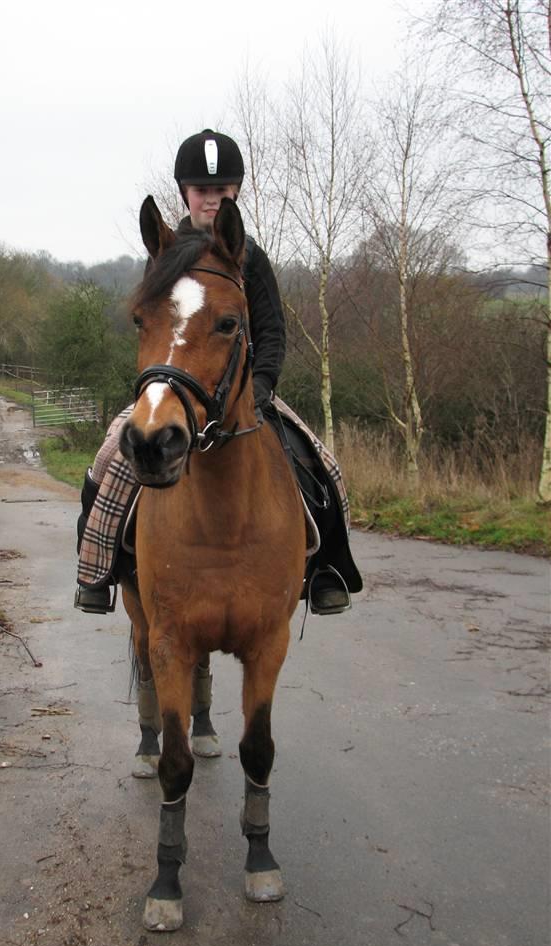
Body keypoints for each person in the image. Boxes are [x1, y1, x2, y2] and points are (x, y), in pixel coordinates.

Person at [74, 129, 361, 616]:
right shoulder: (165, 256)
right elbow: (154, 327)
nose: (212, 197)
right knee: (109, 459)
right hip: (175, 388)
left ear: (236, 194)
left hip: (245, 395)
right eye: (203, 190)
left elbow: (271, 332)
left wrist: (263, 386)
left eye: (222, 189)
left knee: (321, 462)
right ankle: (96, 569)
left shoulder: (251, 257)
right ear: (185, 193)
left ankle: (329, 568)